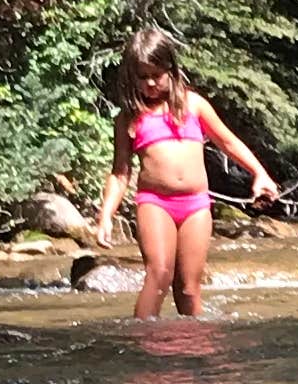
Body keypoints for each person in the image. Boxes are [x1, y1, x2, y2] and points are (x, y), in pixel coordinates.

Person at [96, 29, 278, 321]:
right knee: (159, 274)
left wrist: (260, 173)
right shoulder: (129, 119)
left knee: (189, 288)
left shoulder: (194, 105)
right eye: (142, 77)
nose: (151, 83)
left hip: (196, 205)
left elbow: (228, 142)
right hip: (155, 203)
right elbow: (120, 172)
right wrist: (106, 214)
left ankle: (193, 346)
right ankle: (140, 341)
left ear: (171, 69)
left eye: (156, 74)